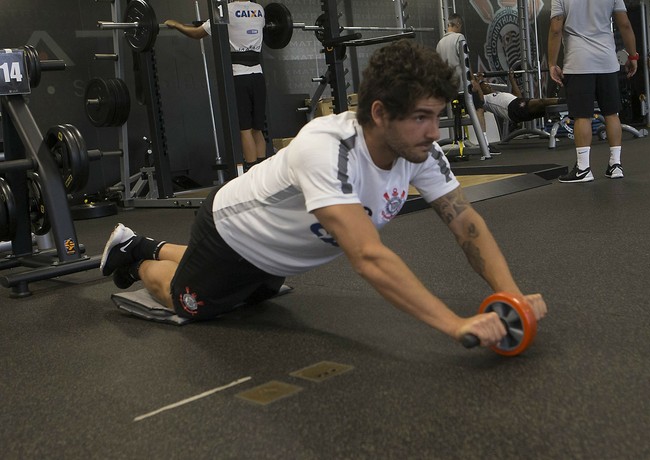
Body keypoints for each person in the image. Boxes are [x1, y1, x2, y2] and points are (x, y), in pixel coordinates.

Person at [100, 40, 547, 349]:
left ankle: (153, 246)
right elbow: (369, 257)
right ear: (379, 112)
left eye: (436, 116)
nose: (434, 132)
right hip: (233, 231)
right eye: (420, 117)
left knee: (246, 296)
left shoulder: (419, 151)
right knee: (192, 303)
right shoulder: (327, 149)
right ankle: (136, 256)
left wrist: (512, 298)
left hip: (274, 254)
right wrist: (455, 324)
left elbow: (467, 226)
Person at [165, 0, 267, 169]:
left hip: (239, 76)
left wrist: (176, 25)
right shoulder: (259, 10)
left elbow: (197, 33)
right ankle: (265, 174)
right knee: (258, 129)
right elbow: (245, 27)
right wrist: (211, 22)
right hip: (258, 75)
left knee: (245, 129)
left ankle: (251, 174)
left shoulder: (225, 10)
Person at [548, 0, 638, 183]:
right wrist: (632, 56)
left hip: (578, 62)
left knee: (582, 116)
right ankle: (616, 165)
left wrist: (551, 63)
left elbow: (556, 29)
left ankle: (583, 168)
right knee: (612, 114)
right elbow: (625, 25)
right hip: (607, 60)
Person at [436, 13, 501, 156]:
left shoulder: (440, 43)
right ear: (458, 25)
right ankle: (485, 144)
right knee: (479, 107)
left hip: (448, 88)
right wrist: (474, 82)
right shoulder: (460, 38)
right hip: (462, 86)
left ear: (448, 25)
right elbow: (465, 62)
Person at [472, 70, 565, 124]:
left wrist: (512, 79)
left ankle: (568, 106)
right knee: (542, 102)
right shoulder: (484, 99)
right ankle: (567, 101)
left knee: (546, 108)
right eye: (483, 84)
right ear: (480, 89)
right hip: (514, 110)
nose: (488, 85)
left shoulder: (498, 94)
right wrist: (476, 81)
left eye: (487, 84)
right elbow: (478, 94)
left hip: (518, 103)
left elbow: (518, 96)